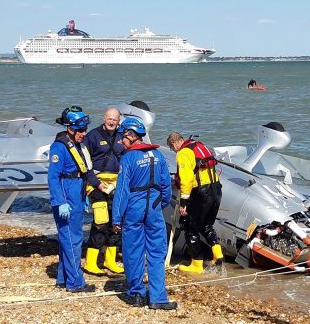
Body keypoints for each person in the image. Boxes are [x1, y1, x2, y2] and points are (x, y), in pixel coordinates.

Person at [111, 117, 176, 310]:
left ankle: (137, 294)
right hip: (154, 208)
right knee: (157, 253)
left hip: (134, 209)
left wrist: (116, 218)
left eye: (123, 137)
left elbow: (122, 191)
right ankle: (158, 297)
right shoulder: (158, 155)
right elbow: (166, 186)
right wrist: (160, 204)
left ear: (132, 136)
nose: (121, 141)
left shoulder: (128, 158)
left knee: (133, 252)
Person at [47, 107, 96, 294]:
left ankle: (63, 278)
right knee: (72, 239)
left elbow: (85, 171)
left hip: (76, 193)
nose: (84, 134)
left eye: (85, 130)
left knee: (67, 239)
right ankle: (75, 282)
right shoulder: (59, 147)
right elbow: (53, 177)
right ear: (71, 129)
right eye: (81, 130)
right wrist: (60, 202)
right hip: (67, 196)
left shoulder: (76, 144)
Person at [167, 131, 224, 275]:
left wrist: (184, 202)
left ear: (174, 143)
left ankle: (196, 264)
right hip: (216, 190)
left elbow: (186, 179)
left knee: (190, 227)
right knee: (206, 225)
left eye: (172, 148)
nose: (174, 151)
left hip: (201, 193)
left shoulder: (183, 153)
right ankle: (218, 255)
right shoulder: (199, 146)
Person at [82, 107, 125, 276]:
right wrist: (96, 183)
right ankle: (91, 262)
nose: (112, 121)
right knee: (100, 221)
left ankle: (110, 260)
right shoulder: (92, 136)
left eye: (115, 119)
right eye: (109, 118)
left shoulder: (123, 136)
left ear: (119, 120)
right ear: (104, 118)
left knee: (116, 222)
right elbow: (85, 164)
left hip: (116, 184)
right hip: (97, 183)